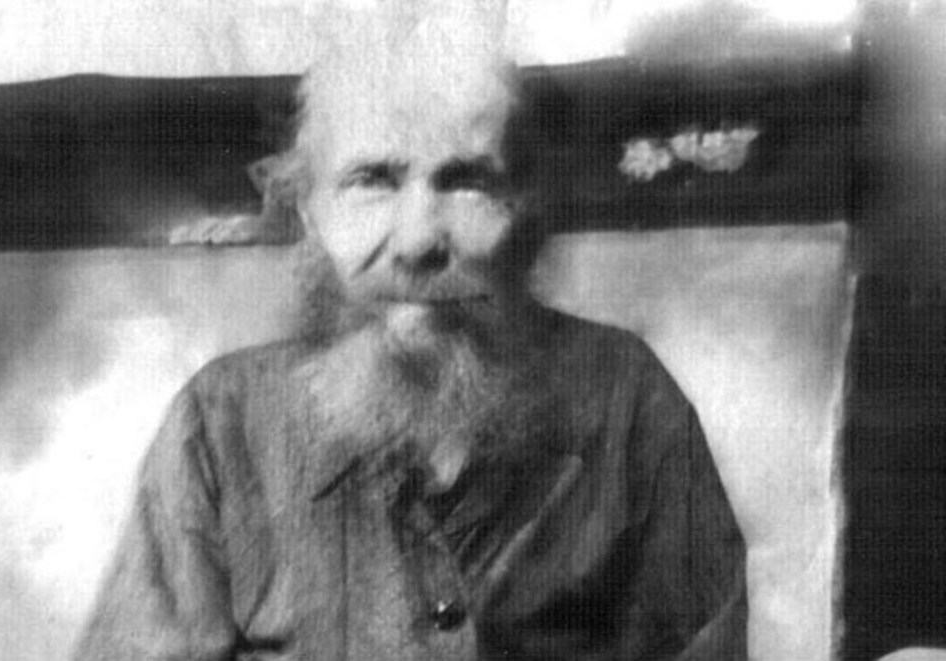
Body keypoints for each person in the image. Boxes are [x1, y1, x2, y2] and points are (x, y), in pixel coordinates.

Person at [75, 10, 746, 660]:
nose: (419, 241)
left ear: (523, 209)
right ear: (309, 210)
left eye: (466, 181)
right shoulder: (219, 423)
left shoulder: (629, 400)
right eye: (372, 180)